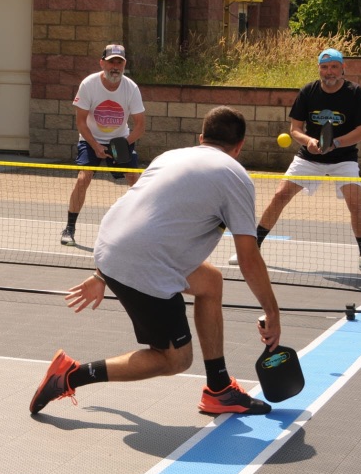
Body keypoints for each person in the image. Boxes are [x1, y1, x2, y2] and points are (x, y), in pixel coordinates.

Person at [31, 106, 281, 416]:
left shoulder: (170, 157)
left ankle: (218, 389)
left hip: (111, 245)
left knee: (210, 282)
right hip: (144, 262)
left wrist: (102, 273)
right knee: (175, 359)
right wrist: (272, 311)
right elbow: (248, 256)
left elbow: (137, 212)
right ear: (240, 147)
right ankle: (71, 375)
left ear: (201, 138)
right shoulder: (236, 177)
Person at [229, 48, 361, 275]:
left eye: (334, 67)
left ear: (342, 69)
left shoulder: (354, 92)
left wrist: (336, 143)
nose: (329, 72)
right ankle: (253, 247)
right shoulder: (309, 91)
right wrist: (309, 141)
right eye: (324, 67)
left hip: (344, 158)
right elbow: (295, 129)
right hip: (309, 157)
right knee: (280, 195)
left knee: (355, 202)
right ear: (319, 69)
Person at [60, 44, 146, 246]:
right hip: (90, 139)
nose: (115, 67)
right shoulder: (89, 84)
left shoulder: (131, 88)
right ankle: (69, 228)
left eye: (119, 62)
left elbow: (140, 125)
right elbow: (81, 121)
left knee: (137, 181)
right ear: (102, 63)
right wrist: (95, 145)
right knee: (83, 178)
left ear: (124, 65)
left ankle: (141, 229)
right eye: (111, 62)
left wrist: (122, 145)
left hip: (121, 140)